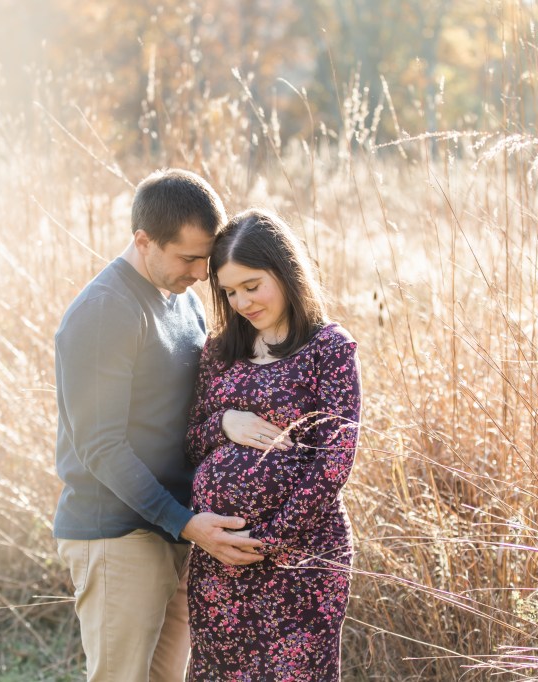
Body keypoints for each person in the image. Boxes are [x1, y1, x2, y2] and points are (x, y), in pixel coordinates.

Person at [52, 169, 264, 682]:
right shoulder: (106, 311)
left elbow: (185, 409)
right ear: (143, 241)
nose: (200, 273)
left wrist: (226, 422)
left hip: (175, 529)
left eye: (204, 259)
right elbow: (100, 446)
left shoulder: (183, 299)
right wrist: (183, 522)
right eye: (187, 258)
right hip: (119, 535)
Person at [185, 208, 361, 680]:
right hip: (220, 559)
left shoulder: (329, 348)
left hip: (301, 556)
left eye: (252, 285)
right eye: (230, 291)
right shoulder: (220, 350)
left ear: (284, 272)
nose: (241, 301)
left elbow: (334, 461)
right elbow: (191, 443)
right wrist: (225, 422)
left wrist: (269, 539)